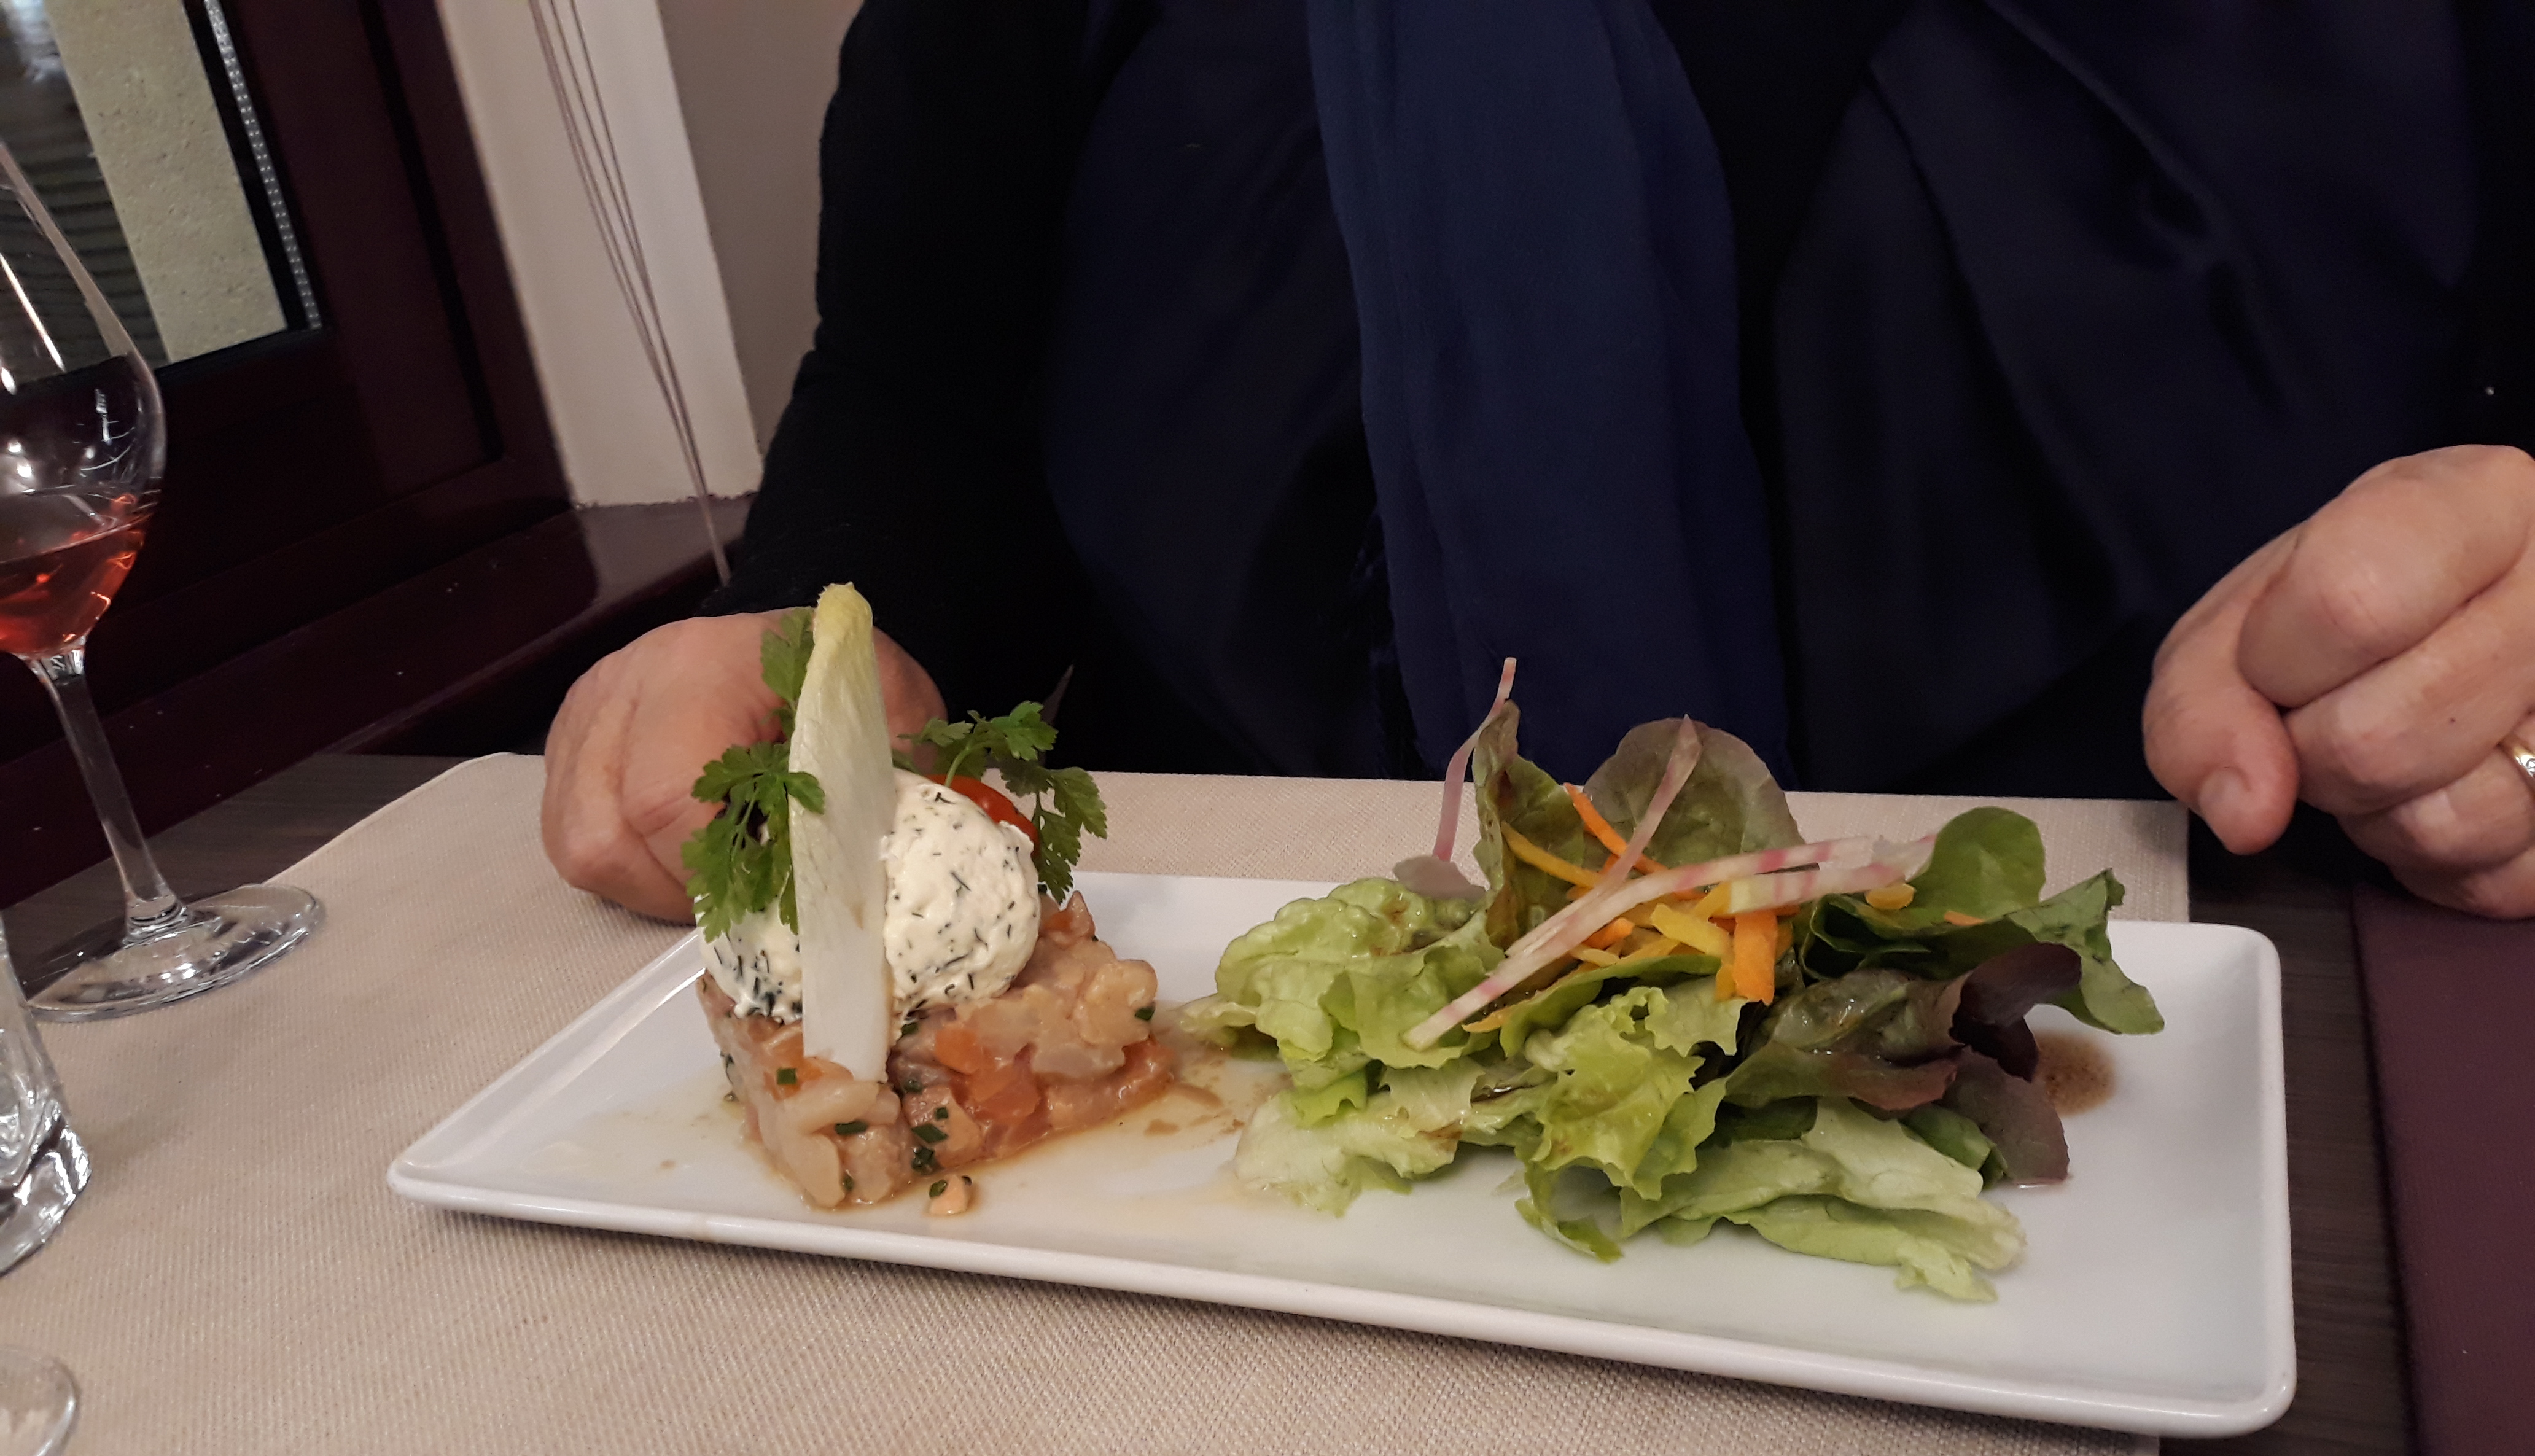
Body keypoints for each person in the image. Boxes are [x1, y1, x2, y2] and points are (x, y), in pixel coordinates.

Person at [544, 0, 2535, 921]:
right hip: (1212, 1147)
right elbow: (916, 401)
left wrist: (2495, 651)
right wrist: (797, 629)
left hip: (2216, 1101)